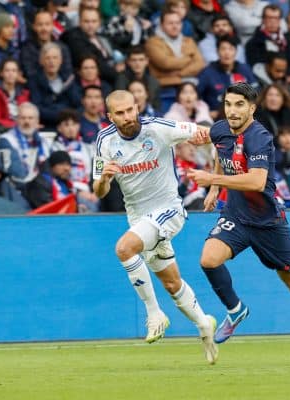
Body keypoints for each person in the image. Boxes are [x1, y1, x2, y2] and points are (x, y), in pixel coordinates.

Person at [186, 82, 290, 361]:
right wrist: (215, 189)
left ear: (252, 108)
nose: (232, 110)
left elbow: (256, 180)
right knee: (209, 259)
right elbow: (220, 151)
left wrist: (212, 180)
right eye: (228, 104)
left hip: (267, 222)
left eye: (239, 105)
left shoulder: (259, 137)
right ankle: (235, 310)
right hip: (237, 216)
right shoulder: (220, 129)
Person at [93, 90, 218, 364]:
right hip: (138, 219)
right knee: (172, 282)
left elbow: (209, 134)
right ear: (110, 116)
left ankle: (154, 313)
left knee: (124, 248)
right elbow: (98, 190)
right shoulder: (104, 141)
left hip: (169, 210)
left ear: (137, 107)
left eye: (130, 110)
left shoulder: (160, 128)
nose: (127, 117)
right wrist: (104, 179)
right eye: (120, 113)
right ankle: (204, 324)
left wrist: (215, 180)